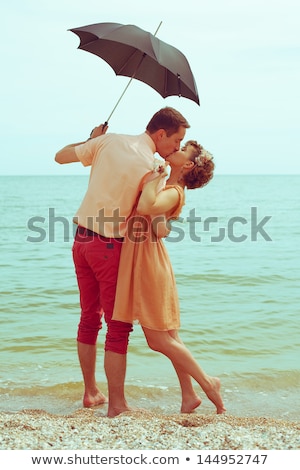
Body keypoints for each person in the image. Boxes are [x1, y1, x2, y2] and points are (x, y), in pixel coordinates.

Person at [54, 107, 190, 417]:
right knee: (118, 327)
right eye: (177, 141)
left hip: (81, 241)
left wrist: (91, 140)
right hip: (109, 247)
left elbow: (60, 157)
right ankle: (116, 404)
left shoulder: (108, 141)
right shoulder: (154, 166)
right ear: (160, 134)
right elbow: (151, 214)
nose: (177, 148)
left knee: (89, 317)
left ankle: (90, 393)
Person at [112, 141, 226, 414]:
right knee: (171, 336)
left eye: (183, 148)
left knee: (157, 339)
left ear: (188, 164)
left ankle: (208, 383)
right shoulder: (168, 187)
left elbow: (147, 205)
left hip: (149, 262)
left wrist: (155, 175)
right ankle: (189, 396)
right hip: (146, 255)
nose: (176, 148)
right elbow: (159, 225)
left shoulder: (174, 191)